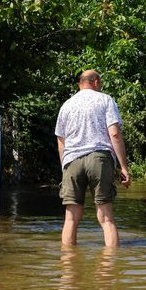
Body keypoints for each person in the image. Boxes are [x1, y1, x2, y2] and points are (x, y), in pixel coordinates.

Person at [55, 69, 131, 247]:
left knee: (71, 218)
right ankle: (110, 268)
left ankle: (68, 268)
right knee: (106, 218)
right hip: (99, 158)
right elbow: (115, 135)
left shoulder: (66, 105)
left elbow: (61, 141)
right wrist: (124, 167)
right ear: (96, 82)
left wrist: (65, 168)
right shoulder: (105, 100)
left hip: (72, 160)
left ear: (79, 83)